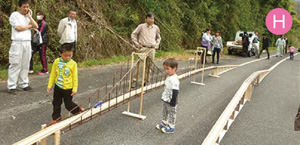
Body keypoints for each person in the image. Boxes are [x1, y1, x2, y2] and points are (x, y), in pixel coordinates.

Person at [47, 43, 84, 125]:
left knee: (68, 104)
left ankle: (77, 110)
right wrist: (50, 86)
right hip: (58, 87)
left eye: (70, 55)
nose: (68, 58)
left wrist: (75, 89)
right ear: (60, 54)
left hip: (68, 88)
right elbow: (53, 74)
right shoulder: (56, 62)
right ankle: (56, 118)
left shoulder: (73, 64)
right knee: (56, 103)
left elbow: (75, 77)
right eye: (65, 56)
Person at [7, 0, 38, 94]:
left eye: (27, 7)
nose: (26, 9)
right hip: (17, 42)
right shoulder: (14, 15)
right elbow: (18, 28)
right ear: (19, 6)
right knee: (15, 63)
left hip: (27, 42)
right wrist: (29, 26)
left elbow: (36, 26)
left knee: (25, 63)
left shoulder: (29, 15)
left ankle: (23, 83)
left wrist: (29, 17)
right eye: (24, 7)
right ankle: (12, 85)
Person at [131, 12, 161, 87]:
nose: (151, 20)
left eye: (153, 18)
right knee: (140, 66)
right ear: (146, 19)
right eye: (150, 18)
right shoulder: (141, 26)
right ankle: (134, 81)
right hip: (143, 48)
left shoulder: (156, 28)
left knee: (149, 66)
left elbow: (158, 37)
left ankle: (146, 81)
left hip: (152, 49)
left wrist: (157, 45)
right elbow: (133, 34)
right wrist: (136, 43)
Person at [156, 58, 180, 133]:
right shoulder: (169, 77)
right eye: (165, 69)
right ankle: (164, 122)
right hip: (165, 99)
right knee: (165, 112)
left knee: (172, 113)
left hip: (171, 100)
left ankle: (171, 126)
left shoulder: (175, 79)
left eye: (168, 69)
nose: (166, 71)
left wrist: (173, 101)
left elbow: (175, 91)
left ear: (174, 69)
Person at [29, 10, 49, 74]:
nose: (38, 16)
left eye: (40, 14)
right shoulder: (37, 22)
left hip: (42, 42)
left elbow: (40, 32)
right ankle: (30, 68)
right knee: (30, 53)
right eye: (37, 14)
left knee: (42, 56)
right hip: (36, 42)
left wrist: (34, 28)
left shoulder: (44, 23)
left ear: (43, 16)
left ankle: (45, 69)